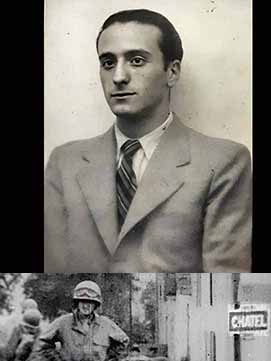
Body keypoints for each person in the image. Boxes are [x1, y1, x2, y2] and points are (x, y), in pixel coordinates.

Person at [45, 9, 251, 272]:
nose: (118, 77)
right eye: (108, 63)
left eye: (137, 60)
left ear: (172, 72)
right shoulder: (65, 162)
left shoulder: (224, 162)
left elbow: (226, 275)